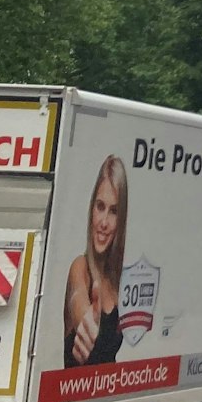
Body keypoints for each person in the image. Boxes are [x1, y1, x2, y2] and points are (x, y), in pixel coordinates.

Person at [64, 156, 128, 367]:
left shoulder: (115, 280)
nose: (103, 222)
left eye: (113, 211)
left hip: (106, 396)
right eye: (100, 206)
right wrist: (86, 324)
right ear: (91, 208)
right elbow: (78, 299)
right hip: (75, 397)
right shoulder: (79, 268)